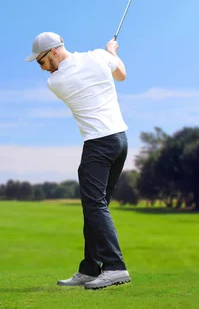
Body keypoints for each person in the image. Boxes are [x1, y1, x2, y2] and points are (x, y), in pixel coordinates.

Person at [24, 31, 131, 290]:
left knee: (95, 207)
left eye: (42, 61)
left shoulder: (57, 82)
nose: (42, 68)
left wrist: (108, 55)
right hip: (120, 141)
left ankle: (115, 267)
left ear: (54, 52)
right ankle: (91, 268)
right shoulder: (97, 56)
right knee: (96, 207)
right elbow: (121, 75)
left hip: (98, 145)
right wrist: (112, 53)